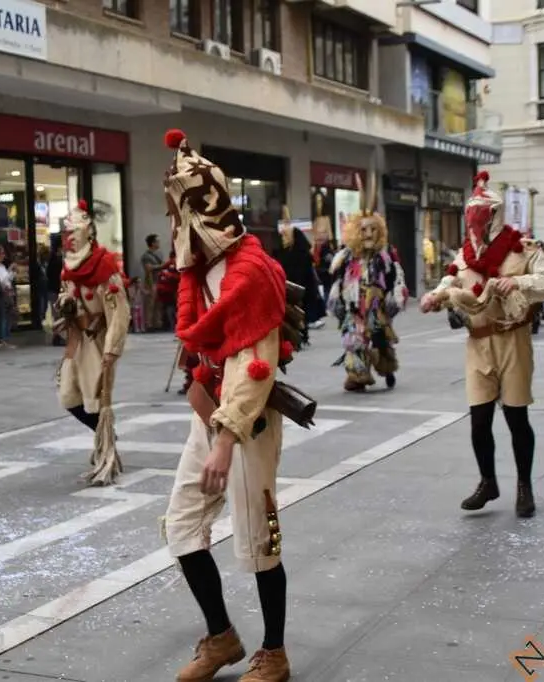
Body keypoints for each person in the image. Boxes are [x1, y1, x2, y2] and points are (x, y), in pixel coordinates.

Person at [161, 129, 291, 682]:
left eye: (177, 211)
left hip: (246, 421)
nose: (173, 223)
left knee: (259, 538)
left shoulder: (251, 272)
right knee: (181, 523)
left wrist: (226, 440)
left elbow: (254, 366)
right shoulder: (199, 268)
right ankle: (221, 638)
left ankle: (275, 653)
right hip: (209, 412)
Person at [419, 171, 544, 518]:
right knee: (479, 420)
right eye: (472, 215)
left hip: (513, 339)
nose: (475, 222)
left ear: (495, 215)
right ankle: (488, 482)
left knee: (516, 417)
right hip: (477, 343)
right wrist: (434, 296)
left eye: (481, 215)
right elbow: (449, 280)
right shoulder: (465, 255)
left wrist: (519, 283)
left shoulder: (522, 248)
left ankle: (524, 485)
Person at [55, 199, 131, 433]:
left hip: (96, 340)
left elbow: (119, 312)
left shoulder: (104, 267)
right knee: (68, 396)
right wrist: (65, 303)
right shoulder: (68, 267)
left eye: (73, 231)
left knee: (94, 399)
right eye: (66, 232)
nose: (69, 238)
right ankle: (105, 435)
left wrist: (112, 348)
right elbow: (65, 293)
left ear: (87, 231)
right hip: (76, 340)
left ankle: (106, 442)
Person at [328, 193, 406, 392]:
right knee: (354, 341)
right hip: (354, 308)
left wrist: (394, 296)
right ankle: (358, 375)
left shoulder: (384, 256)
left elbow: (395, 276)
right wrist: (337, 298)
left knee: (380, 341)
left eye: (373, 229)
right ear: (356, 232)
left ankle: (387, 367)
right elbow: (338, 277)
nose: (369, 234)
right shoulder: (347, 256)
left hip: (376, 307)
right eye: (363, 230)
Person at [274, 210, 320, 347]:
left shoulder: (301, 254)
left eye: (285, 236)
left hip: (300, 289)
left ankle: (301, 336)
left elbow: (305, 273)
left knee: (299, 313)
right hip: (287, 288)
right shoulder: (282, 253)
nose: (283, 239)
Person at [141, 233, 165, 331]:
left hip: (160, 281)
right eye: (157, 241)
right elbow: (148, 268)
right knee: (150, 304)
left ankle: (158, 323)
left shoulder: (159, 254)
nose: (159, 243)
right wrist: (163, 266)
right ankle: (148, 324)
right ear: (152, 243)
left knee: (158, 304)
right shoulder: (146, 256)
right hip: (151, 282)